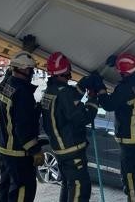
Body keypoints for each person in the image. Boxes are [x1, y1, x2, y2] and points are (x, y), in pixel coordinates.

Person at [40, 52, 99, 202]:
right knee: (80, 189)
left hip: (60, 150)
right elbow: (83, 117)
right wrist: (93, 99)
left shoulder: (50, 91)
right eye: (68, 73)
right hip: (72, 150)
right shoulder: (64, 93)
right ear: (65, 72)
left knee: (68, 186)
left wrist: (84, 82)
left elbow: (68, 100)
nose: (70, 76)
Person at [98, 53, 135, 202]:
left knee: (131, 180)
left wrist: (100, 88)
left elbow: (108, 104)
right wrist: (118, 62)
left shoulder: (124, 89)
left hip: (129, 141)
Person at [0, 51, 44, 202]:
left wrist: (24, 51)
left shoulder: (6, 83)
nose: (31, 73)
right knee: (22, 192)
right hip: (17, 155)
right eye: (30, 69)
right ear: (24, 70)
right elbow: (23, 128)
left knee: (5, 189)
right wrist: (35, 151)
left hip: (3, 149)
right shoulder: (23, 93)